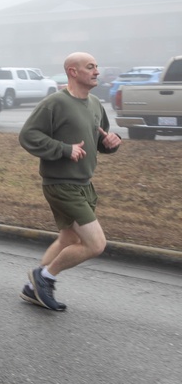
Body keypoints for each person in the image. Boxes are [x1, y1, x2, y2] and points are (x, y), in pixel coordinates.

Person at [19, 51, 119, 311]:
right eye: (90, 67)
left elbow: (99, 140)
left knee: (69, 240)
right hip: (61, 184)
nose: (97, 71)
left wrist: (110, 144)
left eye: (97, 66)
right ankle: (45, 277)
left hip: (85, 183)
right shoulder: (55, 103)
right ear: (73, 72)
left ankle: (32, 289)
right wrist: (64, 149)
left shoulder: (95, 103)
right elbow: (28, 136)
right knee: (96, 244)